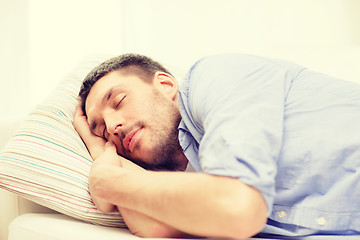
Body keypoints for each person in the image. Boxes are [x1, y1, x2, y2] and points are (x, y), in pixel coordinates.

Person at [73, 53, 360, 239]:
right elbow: (156, 228)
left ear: (165, 84)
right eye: (101, 130)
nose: (112, 127)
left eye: (119, 101)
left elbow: (236, 208)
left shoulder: (215, 75)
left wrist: (107, 183)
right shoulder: (195, 176)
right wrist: (101, 153)